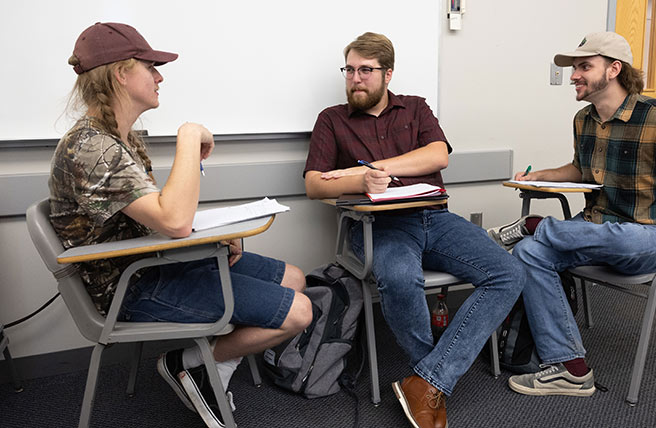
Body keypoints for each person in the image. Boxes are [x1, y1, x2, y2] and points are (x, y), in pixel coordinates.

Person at [49, 22, 312, 428]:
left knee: (294, 278)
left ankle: (211, 368)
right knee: (299, 313)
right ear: (121, 73)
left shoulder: (120, 137)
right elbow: (174, 220)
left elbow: (161, 216)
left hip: (153, 261)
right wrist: (188, 138)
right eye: (150, 67)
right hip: (131, 286)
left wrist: (214, 239)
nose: (160, 77)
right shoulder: (92, 148)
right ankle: (186, 363)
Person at [486, 31, 656, 397]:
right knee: (528, 251)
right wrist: (540, 176)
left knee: (625, 238)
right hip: (597, 228)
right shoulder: (584, 120)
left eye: (584, 66)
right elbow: (581, 170)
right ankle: (570, 368)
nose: (573, 76)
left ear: (614, 69)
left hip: (655, 237)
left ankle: (537, 226)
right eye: (574, 68)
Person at [303, 32, 526, 428]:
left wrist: (373, 168)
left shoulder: (416, 108)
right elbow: (315, 184)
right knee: (401, 278)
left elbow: (438, 154)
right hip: (379, 226)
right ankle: (431, 380)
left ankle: (427, 382)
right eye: (350, 70)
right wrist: (361, 183)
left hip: (435, 219)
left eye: (366, 71)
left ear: (387, 74)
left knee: (508, 273)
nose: (355, 78)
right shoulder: (331, 119)